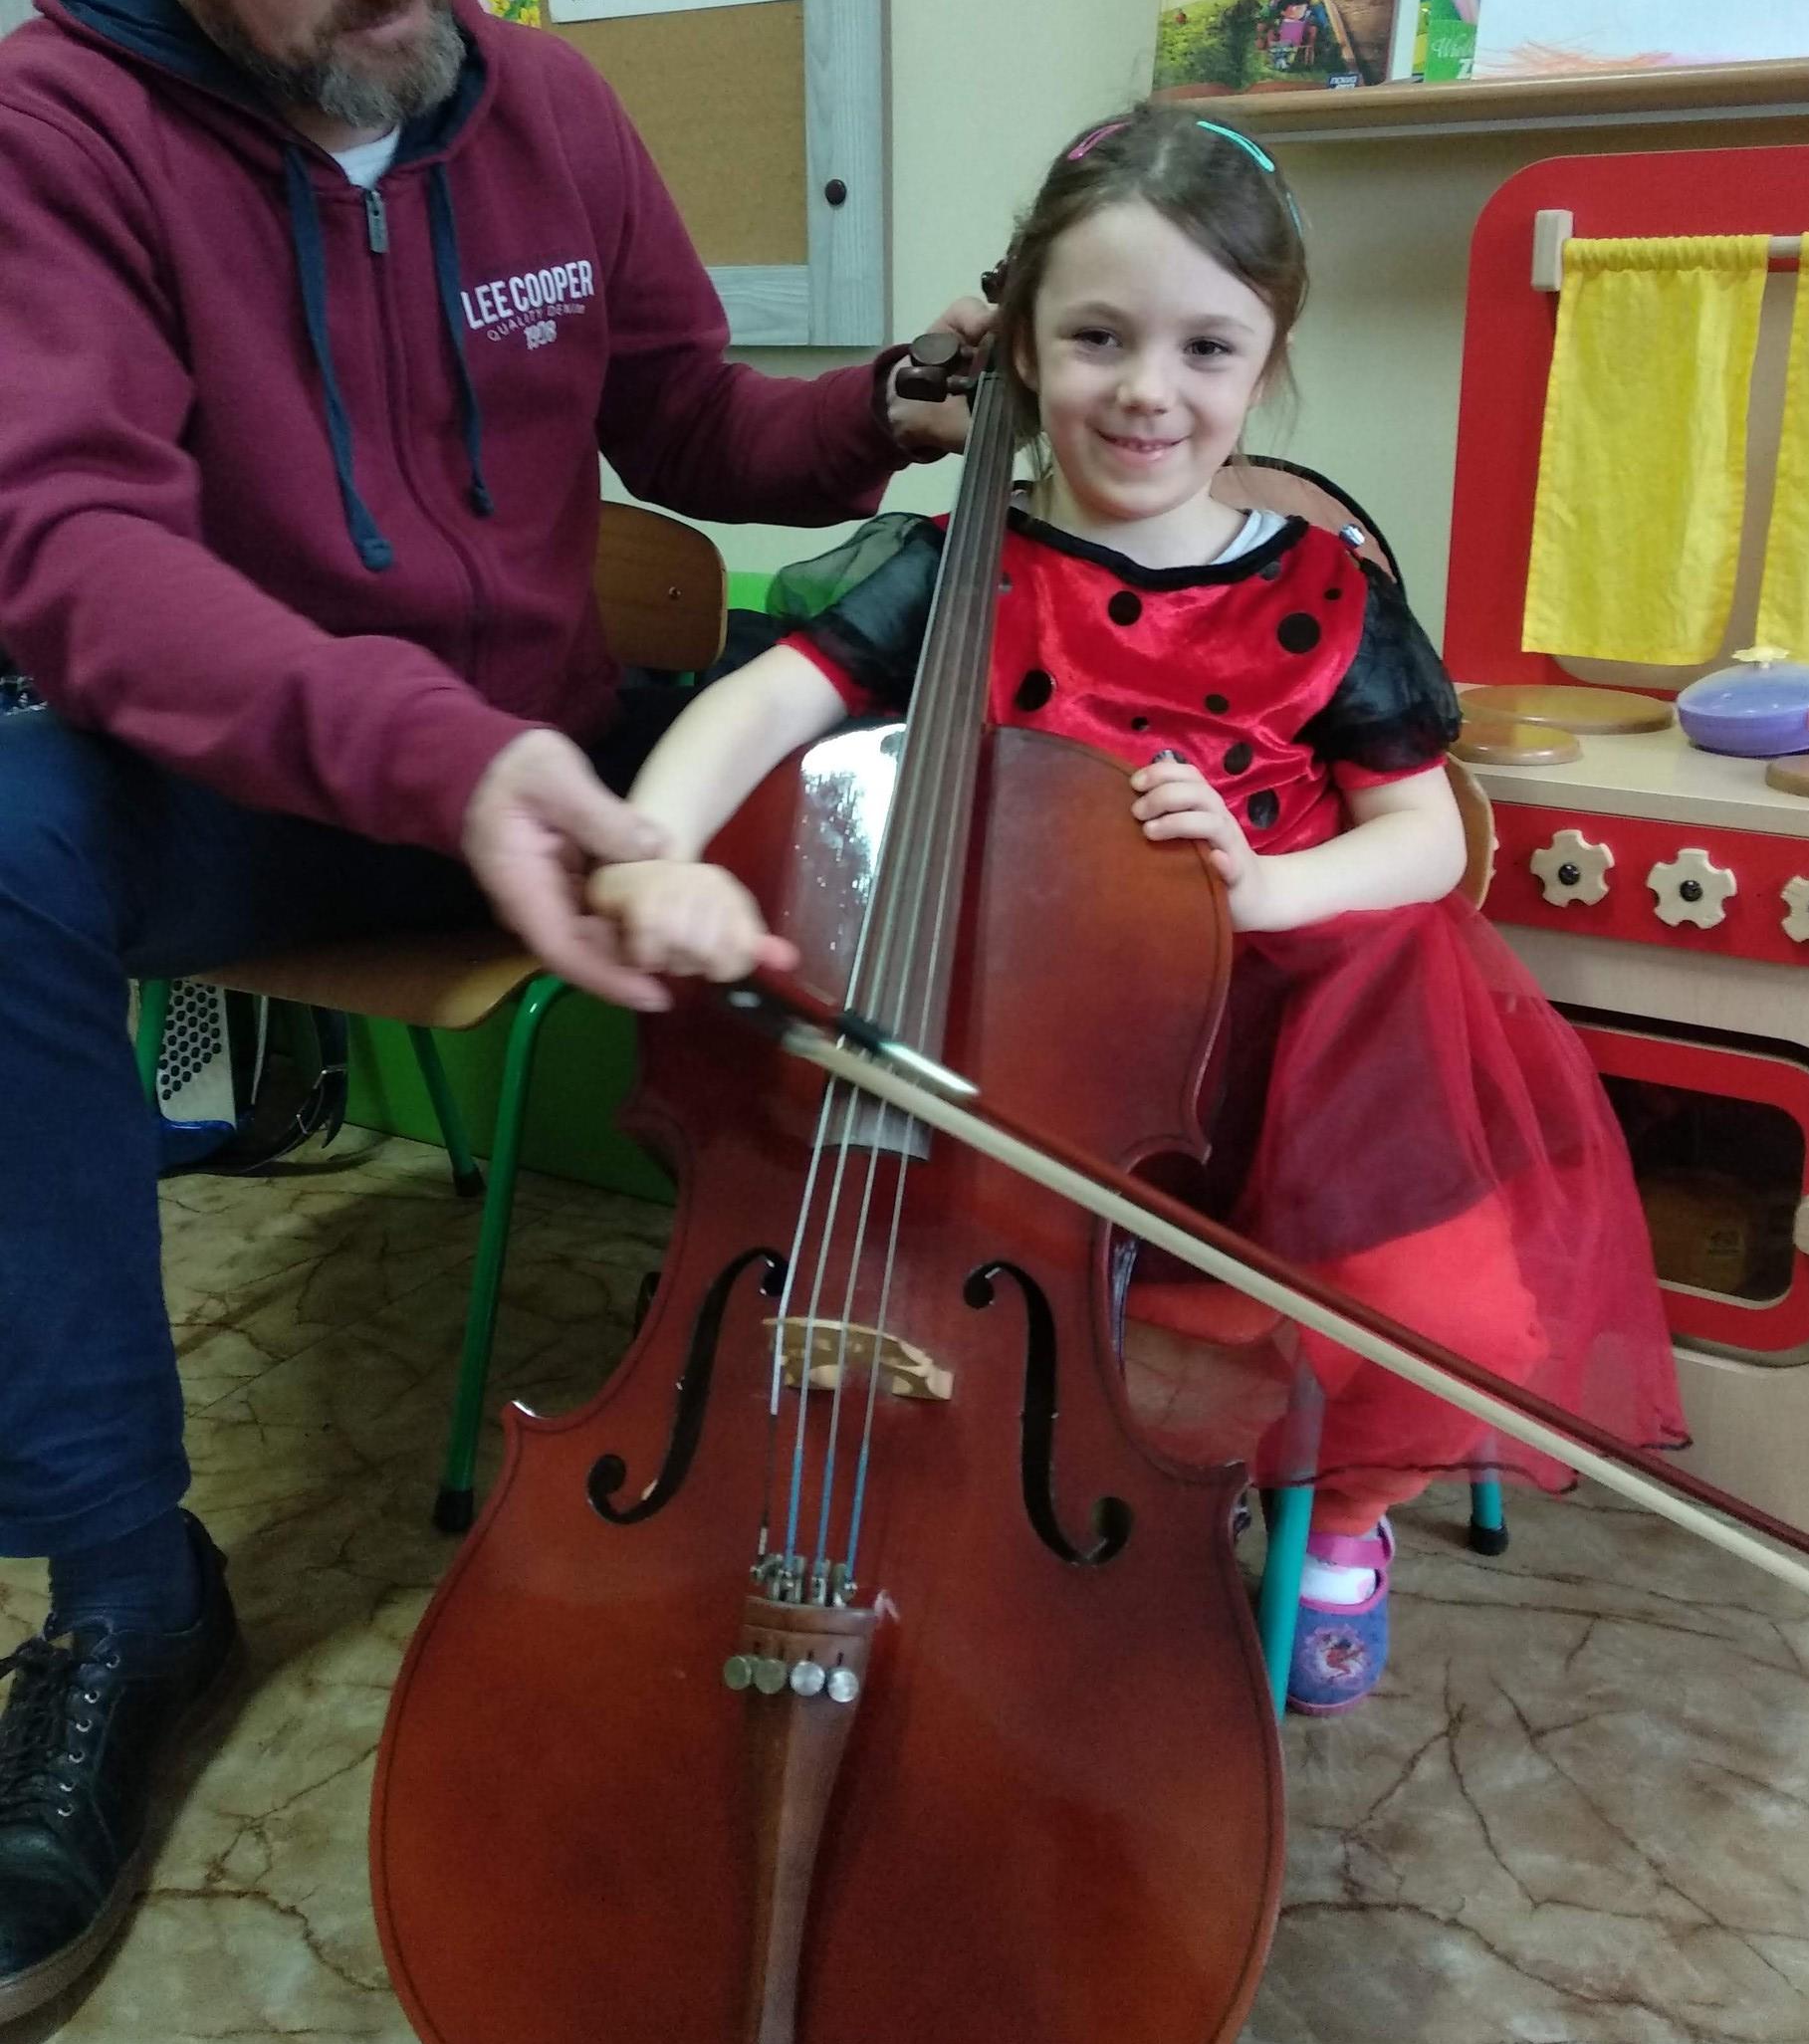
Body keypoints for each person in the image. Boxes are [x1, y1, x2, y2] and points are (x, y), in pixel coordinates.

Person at [0, 0, 971, 2024]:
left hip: (562, 739)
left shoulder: (544, 100)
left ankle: (866, 1437)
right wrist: (438, 753)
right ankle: (123, 1590)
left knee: (916, 769)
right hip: (278, 788)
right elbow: (76, 556)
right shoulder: (54, 139)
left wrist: (882, 404)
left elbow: (688, 419)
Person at [583, 106, 1685, 1719]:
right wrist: (650, 845)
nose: (1147, 390)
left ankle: (1345, 1516)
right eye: (1097, 337)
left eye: (1205, 347)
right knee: (998, 1267)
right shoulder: (963, 562)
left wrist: (1270, 884)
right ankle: (1084, 1470)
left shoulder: (1325, 592)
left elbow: (1421, 837)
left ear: (1267, 358)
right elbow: (765, 703)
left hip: (1299, 1021)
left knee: (1414, 1292)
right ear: (1024, 345)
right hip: (1033, 1022)